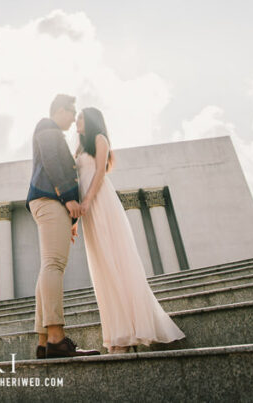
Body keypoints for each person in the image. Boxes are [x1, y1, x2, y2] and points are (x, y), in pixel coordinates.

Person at [76, 107, 186, 353]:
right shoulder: (80, 148)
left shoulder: (99, 139)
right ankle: (116, 335)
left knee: (116, 262)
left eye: (80, 118)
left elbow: (100, 173)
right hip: (88, 211)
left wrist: (87, 201)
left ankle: (126, 335)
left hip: (100, 203)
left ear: (91, 120)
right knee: (102, 268)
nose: (76, 123)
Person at [26, 94, 100, 359]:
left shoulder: (52, 129)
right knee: (54, 265)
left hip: (49, 202)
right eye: (71, 112)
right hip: (50, 199)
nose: (73, 117)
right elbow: (51, 162)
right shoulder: (47, 125)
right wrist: (68, 199)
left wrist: (69, 217)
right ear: (60, 110)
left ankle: (45, 341)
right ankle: (57, 338)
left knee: (49, 265)